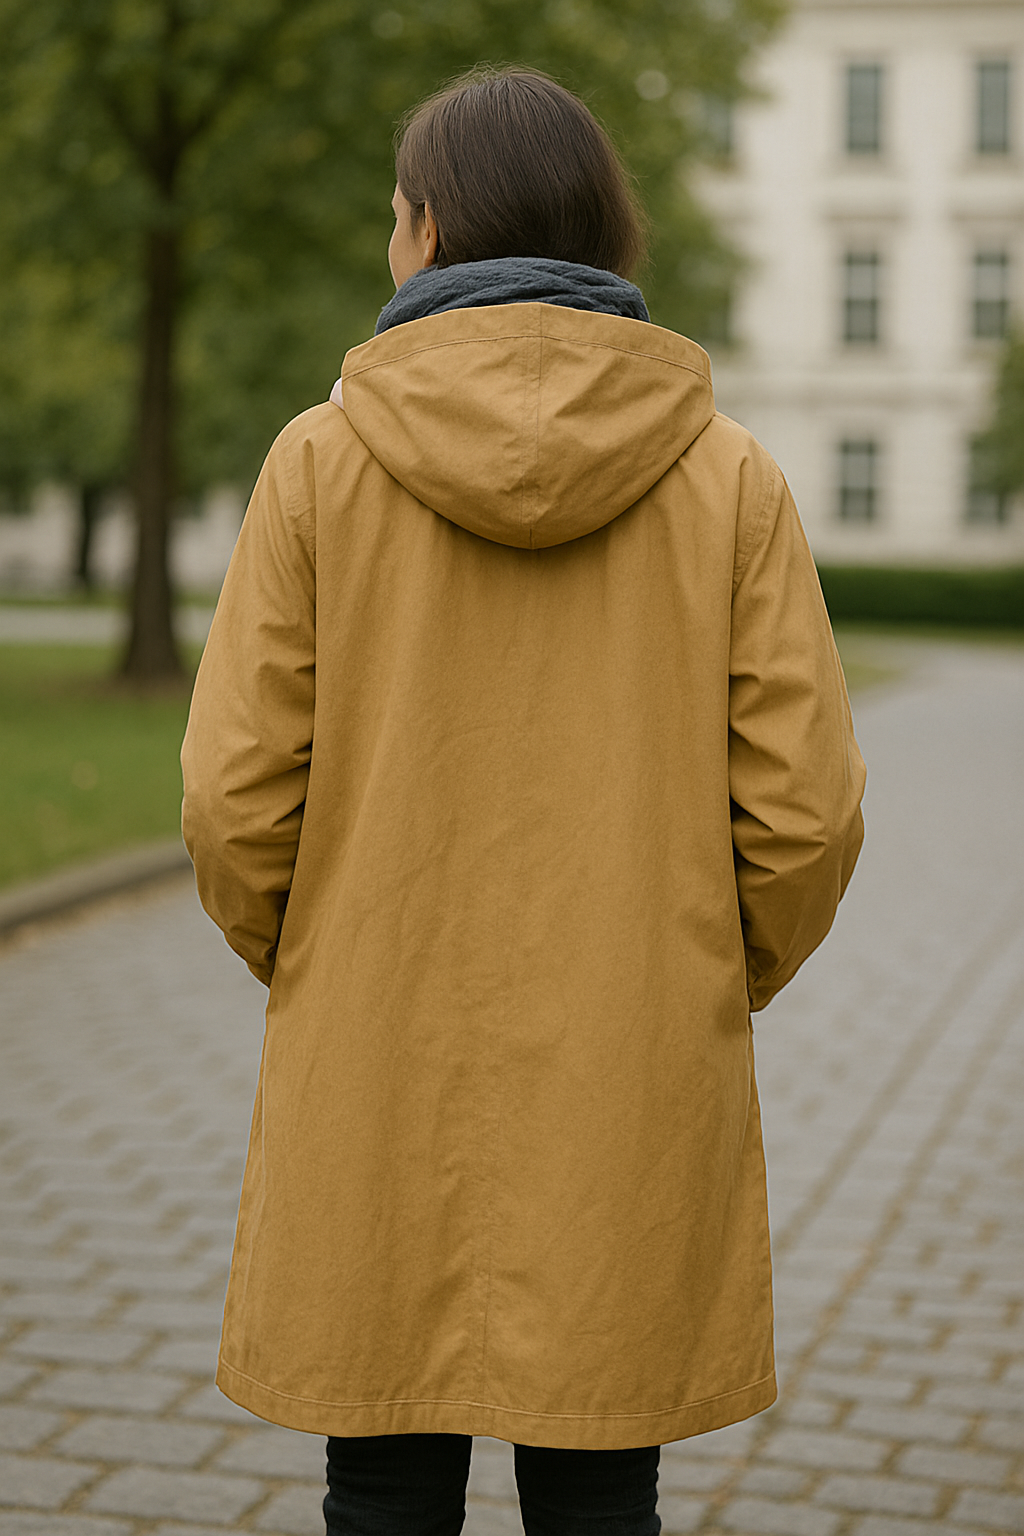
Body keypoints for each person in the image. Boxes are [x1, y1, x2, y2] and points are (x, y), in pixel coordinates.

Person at [180, 65, 866, 1536]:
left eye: (392, 217)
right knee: (605, 1471)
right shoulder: (731, 479)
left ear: (428, 233)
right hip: (634, 1053)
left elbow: (236, 799)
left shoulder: (317, 464)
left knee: (380, 1474)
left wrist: (311, 955)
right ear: (608, 233)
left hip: (375, 1041)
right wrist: (703, 973)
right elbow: (804, 816)